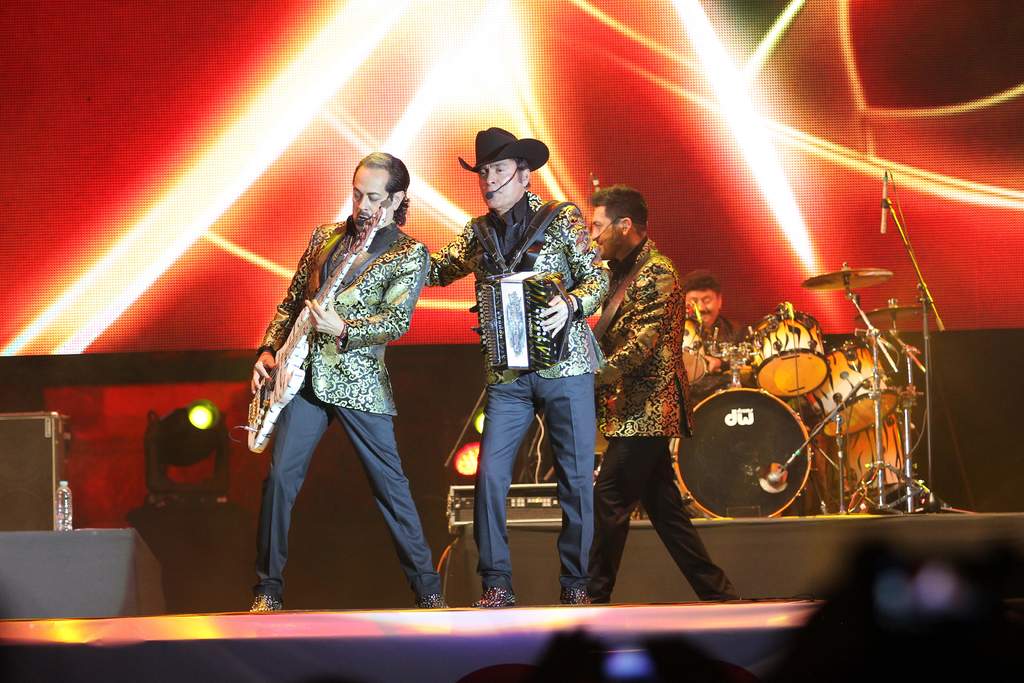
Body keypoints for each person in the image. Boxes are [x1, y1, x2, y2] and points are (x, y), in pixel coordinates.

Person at [248, 152, 444, 611]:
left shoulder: (408, 253)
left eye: (373, 197)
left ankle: (429, 591)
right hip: (304, 377)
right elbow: (292, 301)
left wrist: (345, 328)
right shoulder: (326, 236)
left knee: (391, 489)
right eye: (357, 194)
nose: (362, 205)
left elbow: (396, 321)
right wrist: (267, 350)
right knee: (279, 480)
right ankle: (267, 590)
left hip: (359, 382)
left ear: (397, 199)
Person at [429, 128, 608, 607]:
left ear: (524, 176)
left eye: (499, 170)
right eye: (483, 172)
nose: (489, 180)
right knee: (489, 477)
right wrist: (389, 244)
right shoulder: (477, 233)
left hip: (566, 368)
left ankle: (576, 585)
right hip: (508, 378)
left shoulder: (561, 218)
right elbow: (435, 271)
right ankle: (497, 584)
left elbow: (597, 278)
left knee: (575, 480)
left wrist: (571, 303)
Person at [587, 186, 736, 603]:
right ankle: (718, 593)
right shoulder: (616, 271)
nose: (592, 235)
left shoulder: (658, 272)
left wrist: (592, 376)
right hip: (631, 410)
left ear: (624, 225)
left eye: (597, 226)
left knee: (610, 495)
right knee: (667, 512)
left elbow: (642, 344)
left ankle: (592, 598)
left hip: (651, 409)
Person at [682, 269, 743, 404]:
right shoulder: (674, 334)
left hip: (726, 401)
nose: (701, 308)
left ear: (719, 301)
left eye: (707, 300)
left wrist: (721, 363)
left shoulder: (735, 331)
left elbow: (749, 363)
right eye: (694, 301)